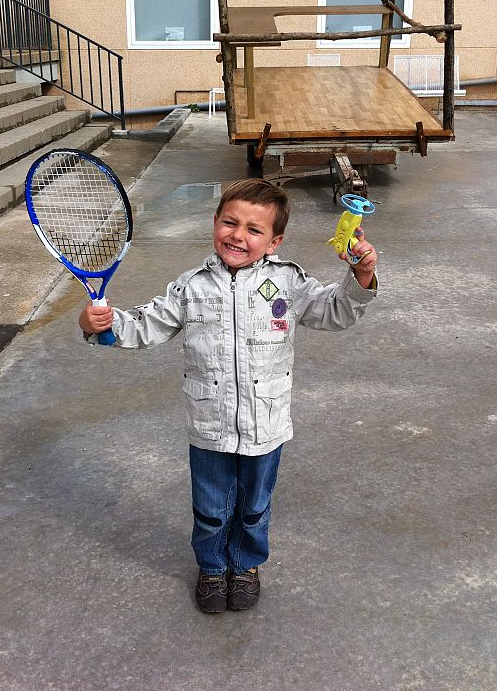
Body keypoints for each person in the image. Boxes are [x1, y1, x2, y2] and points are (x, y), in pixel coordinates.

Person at [79, 178, 378, 613]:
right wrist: (99, 326)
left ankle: (245, 565)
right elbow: (145, 324)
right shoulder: (191, 286)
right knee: (211, 509)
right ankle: (213, 568)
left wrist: (361, 273)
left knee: (254, 508)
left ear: (275, 242)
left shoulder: (289, 282)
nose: (238, 235)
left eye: (254, 230)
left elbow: (337, 310)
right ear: (214, 222)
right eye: (230, 222)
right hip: (209, 426)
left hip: (266, 426)